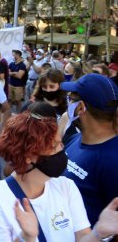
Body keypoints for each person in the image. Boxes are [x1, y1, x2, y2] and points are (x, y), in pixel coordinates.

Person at [0, 111, 118, 242]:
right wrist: (27, 237)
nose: (62, 149)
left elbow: (82, 238)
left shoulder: (66, 187)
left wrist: (98, 232)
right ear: (28, 156)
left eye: (60, 143)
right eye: (54, 145)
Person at [60, 74, 118, 226]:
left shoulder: (113, 161)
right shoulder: (74, 139)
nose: (68, 103)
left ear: (80, 107)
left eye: (71, 99)